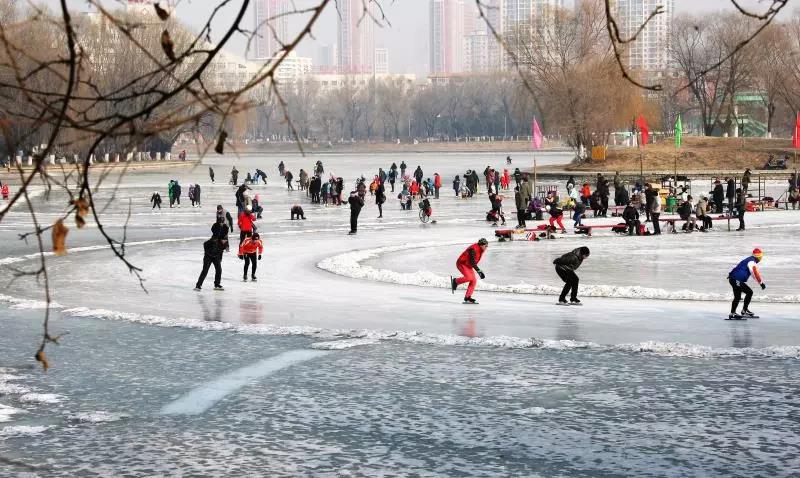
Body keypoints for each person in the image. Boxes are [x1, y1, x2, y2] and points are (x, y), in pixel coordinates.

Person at [727, 248, 765, 319]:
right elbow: (754, 273)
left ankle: (737, 312)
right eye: (761, 257)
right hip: (736, 279)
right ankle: (738, 312)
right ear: (759, 257)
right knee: (748, 293)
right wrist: (761, 283)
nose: (761, 258)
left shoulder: (750, 259)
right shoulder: (752, 262)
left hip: (733, 279)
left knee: (740, 296)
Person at [450, 238, 488, 304]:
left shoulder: (480, 249)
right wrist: (479, 271)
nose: (486, 247)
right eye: (485, 246)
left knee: (474, 280)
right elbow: (472, 262)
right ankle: (455, 281)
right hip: (461, 263)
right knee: (469, 277)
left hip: (468, 265)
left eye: (487, 246)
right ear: (481, 245)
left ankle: (467, 297)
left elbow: (473, 263)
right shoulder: (473, 249)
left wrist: (479, 271)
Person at [195, 225, 227, 291]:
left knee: (219, 270)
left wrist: (220, 257)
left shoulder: (222, 241)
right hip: (208, 257)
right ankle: (198, 285)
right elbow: (205, 244)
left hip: (216, 257)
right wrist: (208, 253)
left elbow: (222, 250)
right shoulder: (211, 240)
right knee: (205, 271)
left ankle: (217, 285)